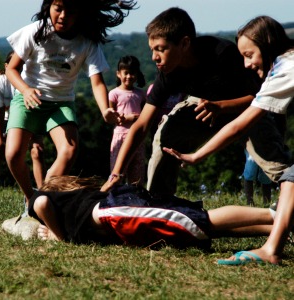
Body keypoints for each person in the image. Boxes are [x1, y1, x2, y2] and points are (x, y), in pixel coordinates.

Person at [101, 7, 289, 197]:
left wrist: (221, 107)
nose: (154, 57)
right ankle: (158, 204)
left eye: (160, 49)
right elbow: (141, 125)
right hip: (203, 107)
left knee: (275, 163)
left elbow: (258, 97)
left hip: (246, 108)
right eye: (152, 50)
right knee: (164, 140)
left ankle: (289, 197)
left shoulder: (223, 54)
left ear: (184, 43)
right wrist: (116, 174)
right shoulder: (168, 72)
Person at [164, 16, 294, 265]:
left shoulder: (285, 69)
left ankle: (271, 251)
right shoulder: (285, 63)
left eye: (249, 54)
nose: (246, 64)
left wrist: (196, 156)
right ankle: (272, 248)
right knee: (290, 181)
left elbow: (238, 126)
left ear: (267, 43)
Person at [4, 0, 136, 210]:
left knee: (69, 150)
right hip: (27, 98)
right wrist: (26, 90)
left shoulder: (86, 42)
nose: (63, 15)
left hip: (61, 103)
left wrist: (105, 109)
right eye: (58, 9)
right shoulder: (35, 32)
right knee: (12, 154)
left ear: (80, 14)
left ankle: (44, 197)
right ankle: (30, 198)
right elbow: (11, 69)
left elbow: (97, 81)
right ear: (49, 8)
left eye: (70, 10)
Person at [28, 175, 274, 251]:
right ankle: (278, 227)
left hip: (115, 211)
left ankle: (276, 214)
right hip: (119, 216)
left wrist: (56, 235)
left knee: (199, 220)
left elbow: (38, 203)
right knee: (201, 231)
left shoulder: (51, 200)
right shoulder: (73, 208)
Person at [0, 51, 46, 188]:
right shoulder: (0, 83)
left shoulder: (31, 80)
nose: (20, 69)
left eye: (22, 66)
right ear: (7, 66)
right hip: (5, 120)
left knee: (37, 150)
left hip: (27, 117)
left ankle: (42, 192)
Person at [109, 55, 146, 185]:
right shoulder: (114, 94)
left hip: (137, 136)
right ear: (119, 74)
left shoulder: (141, 94)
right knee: (118, 170)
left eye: (132, 73)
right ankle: (115, 197)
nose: (129, 77)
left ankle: (136, 199)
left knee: (137, 171)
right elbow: (112, 117)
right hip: (120, 135)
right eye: (126, 73)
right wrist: (127, 118)